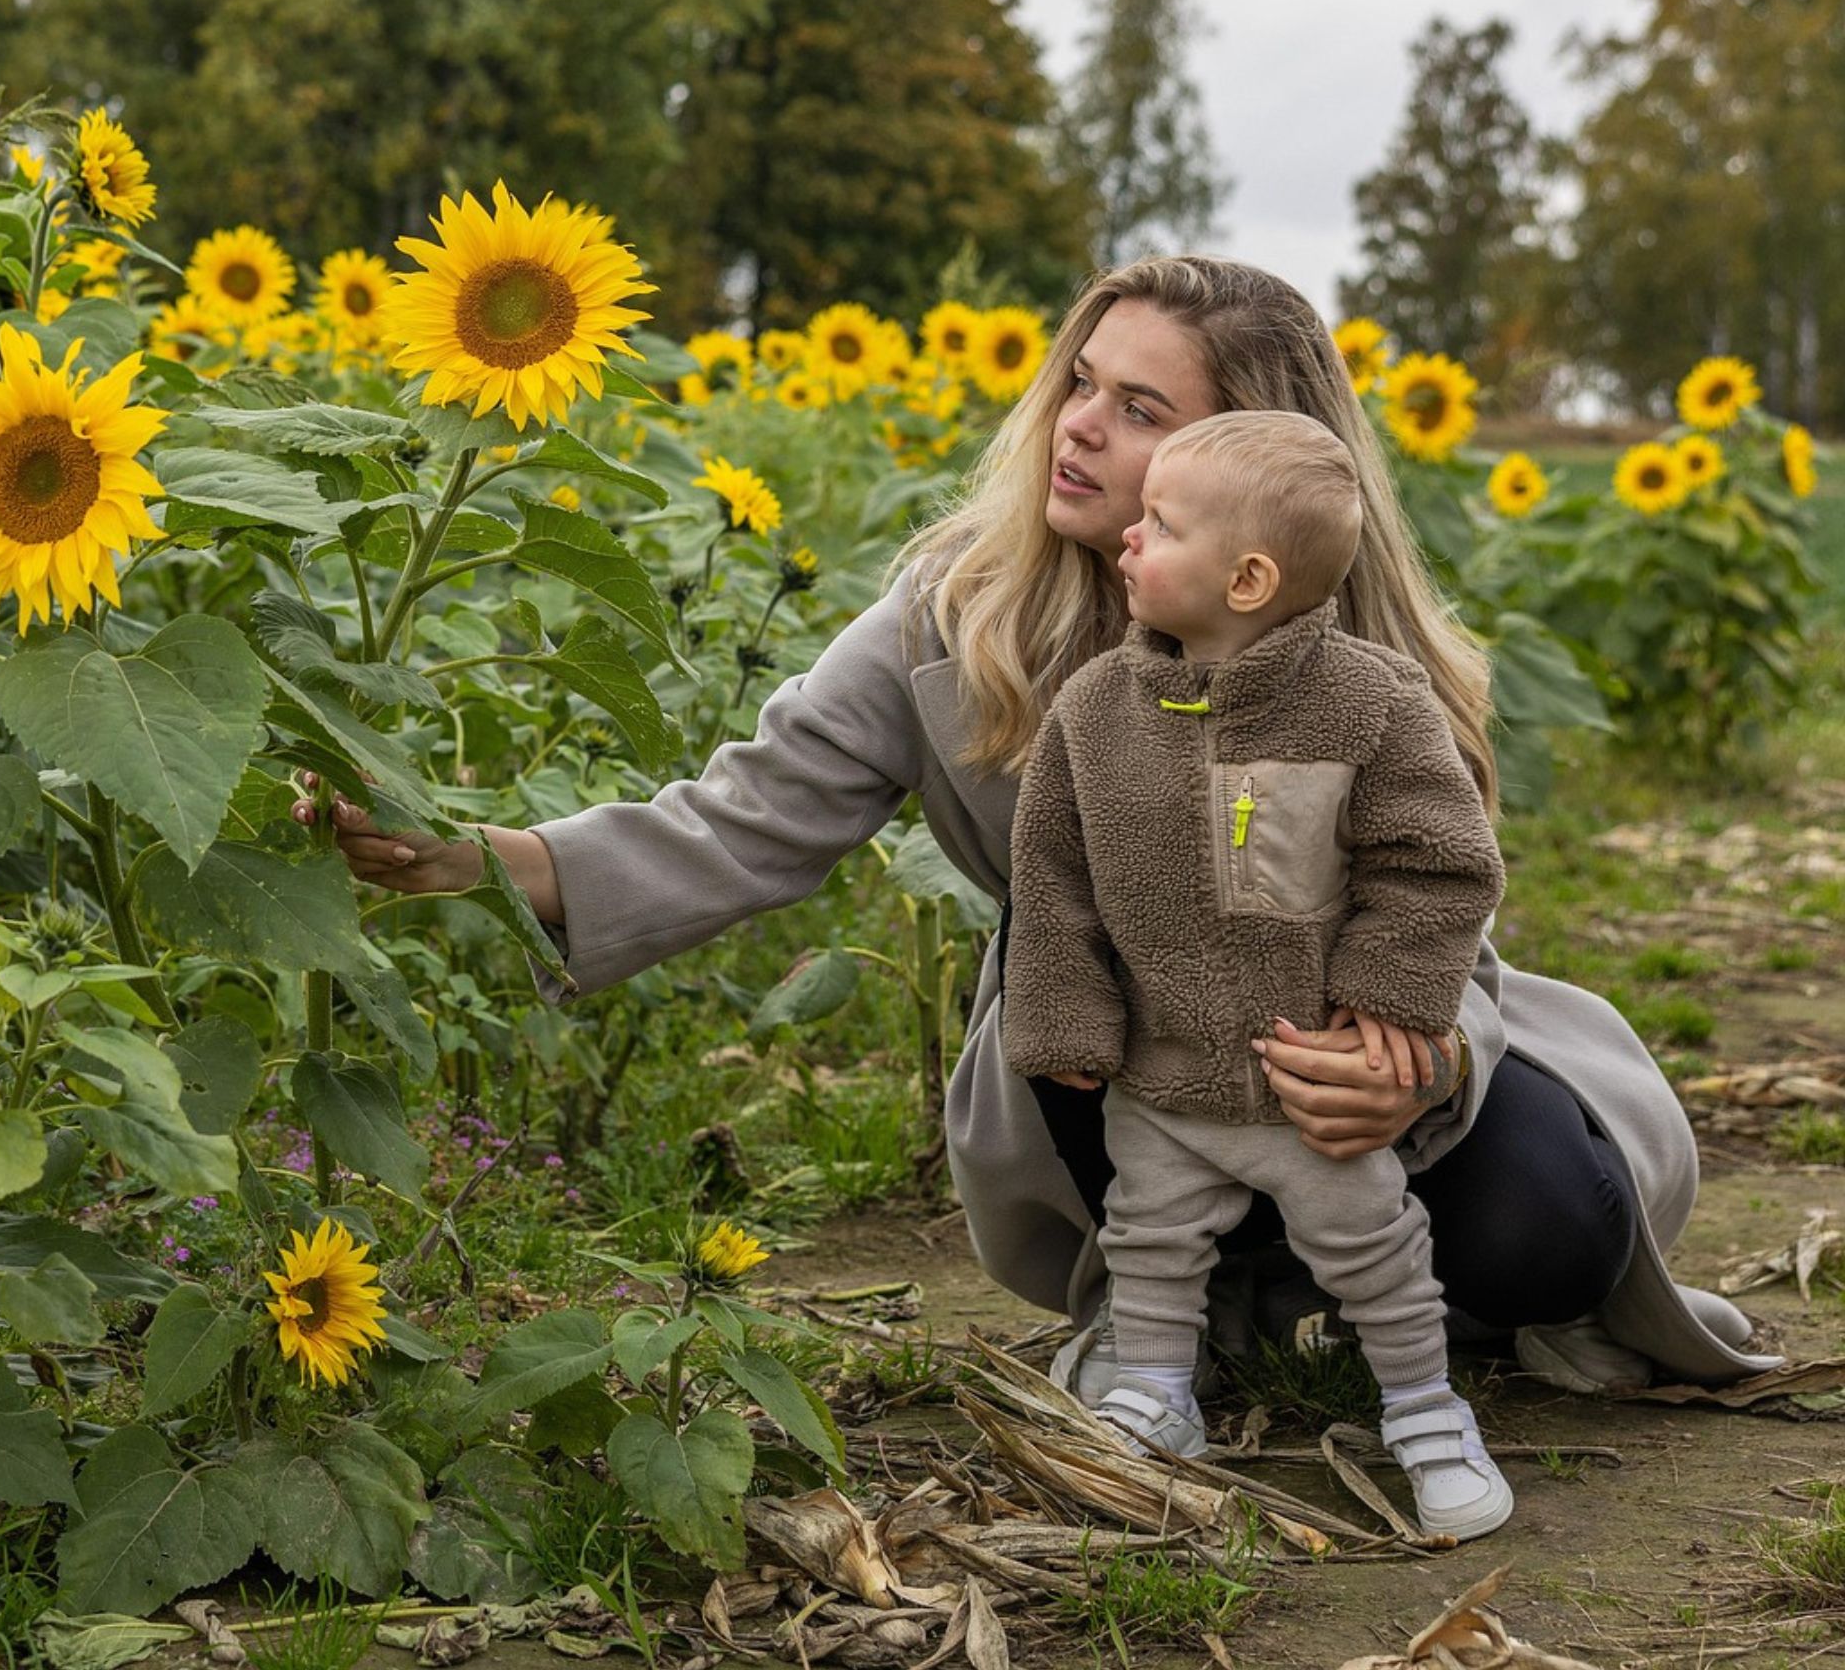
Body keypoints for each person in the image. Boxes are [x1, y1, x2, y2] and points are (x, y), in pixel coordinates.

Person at [306, 254, 1776, 1404]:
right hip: (1115, 1070)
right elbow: (745, 820)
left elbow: (1438, 902)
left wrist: (1419, 1057)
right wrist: (473, 861)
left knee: (1552, 1230)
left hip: (1341, 1055)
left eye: (1142, 410)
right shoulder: (958, 617)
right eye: (1083, 381)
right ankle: (1190, 1301)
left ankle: (1356, 1287)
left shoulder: (1359, 660)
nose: (1079, 423)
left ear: (1253, 467)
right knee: (1081, 947)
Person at [1000, 407, 1510, 1535]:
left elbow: (1438, 859)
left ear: (1246, 581)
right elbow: (1051, 880)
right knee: (1147, 1233)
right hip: (1164, 1067)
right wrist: (1067, 1019)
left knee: (1370, 1240)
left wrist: (1388, 999)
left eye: (1160, 524)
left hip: (1309, 1074)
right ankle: (1154, 1393)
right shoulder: (1094, 713)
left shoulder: (1370, 701)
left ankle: (1424, 1407)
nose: (1129, 537)